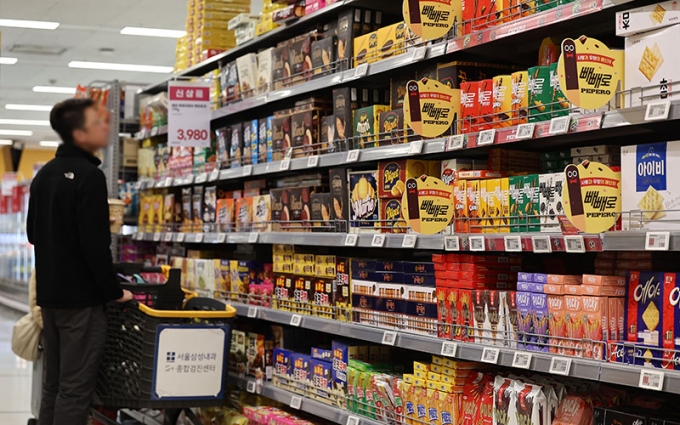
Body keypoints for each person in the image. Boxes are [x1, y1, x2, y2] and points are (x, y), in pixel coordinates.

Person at [27, 98, 133, 425]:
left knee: (53, 384)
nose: (105, 127)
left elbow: (32, 232)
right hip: (82, 303)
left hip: (50, 298)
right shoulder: (89, 176)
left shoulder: (44, 175)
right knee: (75, 390)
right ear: (79, 133)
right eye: (97, 122)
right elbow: (95, 247)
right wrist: (114, 291)